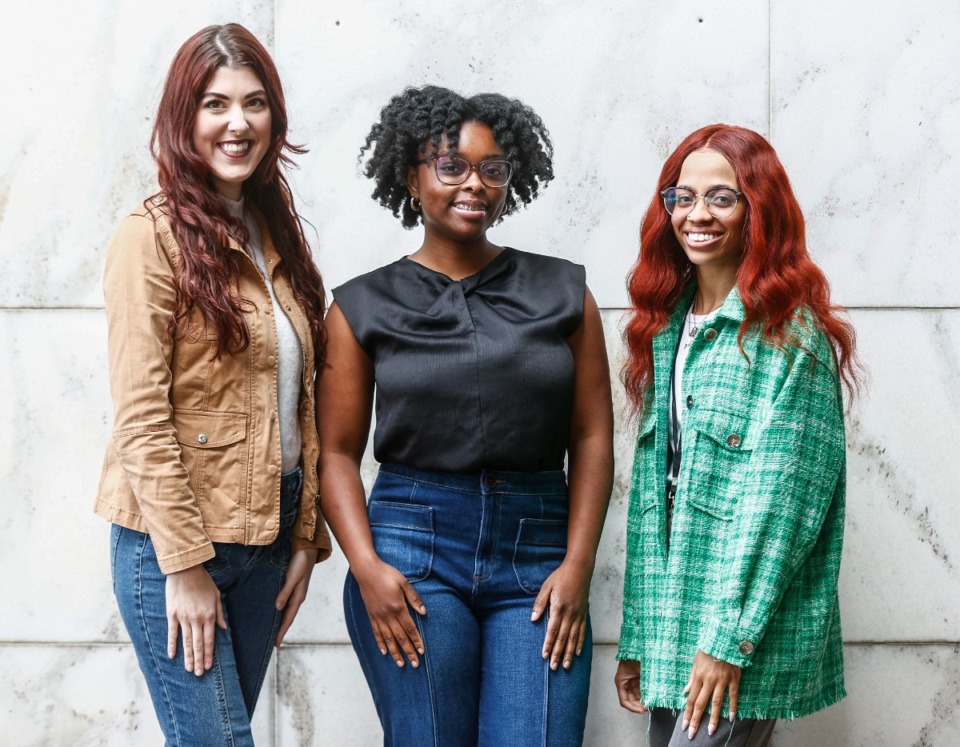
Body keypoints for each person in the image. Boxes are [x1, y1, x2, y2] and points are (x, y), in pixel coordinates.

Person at [318, 85, 614, 746]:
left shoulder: (563, 293)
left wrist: (578, 563)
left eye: (493, 168)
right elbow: (335, 451)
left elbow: (593, 434)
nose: (473, 184)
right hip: (411, 551)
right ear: (411, 176)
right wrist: (366, 566)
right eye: (451, 165)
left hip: (539, 554)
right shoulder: (362, 306)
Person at [94, 24, 330, 745]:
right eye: (215, 103)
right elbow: (140, 417)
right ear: (183, 117)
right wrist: (186, 568)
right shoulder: (152, 234)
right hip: (173, 543)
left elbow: (301, 401)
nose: (238, 123)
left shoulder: (273, 228)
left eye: (254, 103)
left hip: (266, 538)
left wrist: (304, 534)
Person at [614, 124, 861, 746]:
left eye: (721, 197)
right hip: (672, 631)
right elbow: (656, 502)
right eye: (682, 196)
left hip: (736, 640)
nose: (697, 214)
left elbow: (783, 508)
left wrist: (730, 639)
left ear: (759, 209)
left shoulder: (789, 339)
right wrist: (641, 637)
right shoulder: (665, 328)